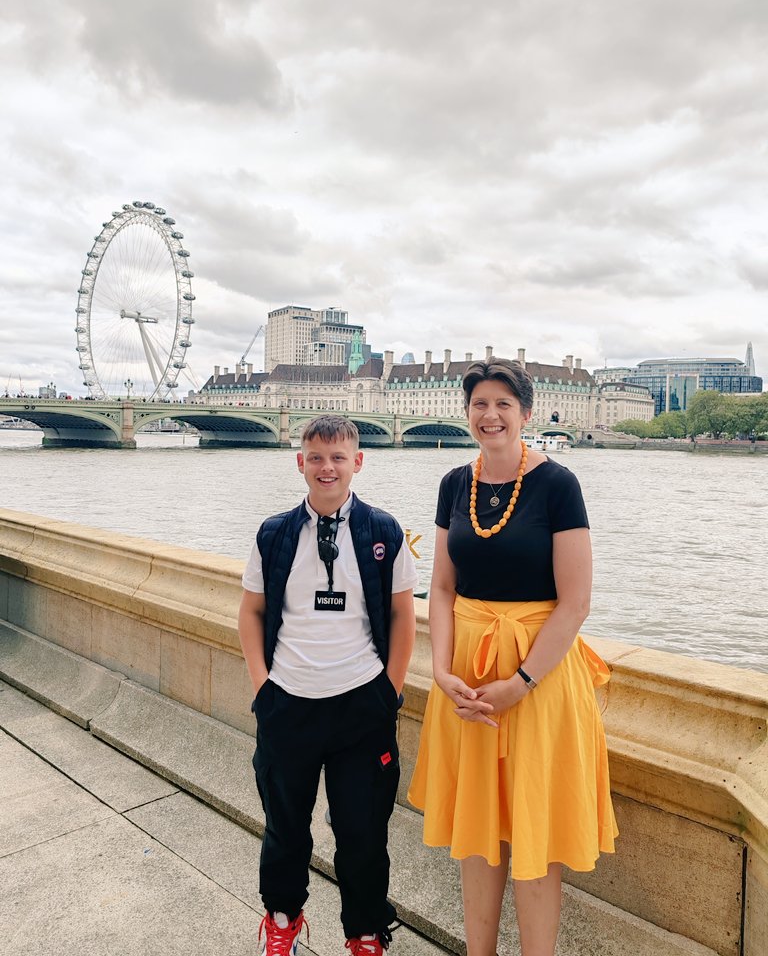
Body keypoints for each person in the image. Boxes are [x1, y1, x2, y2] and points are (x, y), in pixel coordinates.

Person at [408, 358, 618, 956]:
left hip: (540, 679)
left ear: (526, 413)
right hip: (469, 677)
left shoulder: (558, 484)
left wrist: (521, 680)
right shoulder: (454, 483)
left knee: (535, 832)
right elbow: (442, 589)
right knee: (476, 834)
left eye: (503, 404)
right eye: (479, 403)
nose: (490, 415)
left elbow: (575, 603)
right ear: (466, 412)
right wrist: (442, 672)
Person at [239, 414, 418, 956]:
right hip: (288, 704)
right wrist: (262, 688)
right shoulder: (273, 535)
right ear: (300, 462)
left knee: (363, 835)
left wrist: (389, 691)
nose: (326, 467)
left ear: (357, 462)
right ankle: (282, 920)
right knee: (284, 829)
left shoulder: (384, 532)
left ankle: (364, 934)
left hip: (361, 706)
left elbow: (404, 616)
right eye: (315, 457)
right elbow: (250, 612)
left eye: (338, 457)